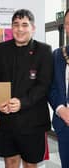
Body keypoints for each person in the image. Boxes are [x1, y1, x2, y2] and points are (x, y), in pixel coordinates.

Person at [0, 9, 53, 168]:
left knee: (31, 164)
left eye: (25, 25)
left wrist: (22, 102)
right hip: (6, 120)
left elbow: (44, 85)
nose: (20, 29)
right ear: (11, 27)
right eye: (16, 25)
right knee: (10, 162)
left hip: (33, 120)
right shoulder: (0, 50)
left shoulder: (44, 51)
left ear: (33, 28)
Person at [48, 9, 69, 168]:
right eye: (68, 23)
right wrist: (60, 108)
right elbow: (50, 87)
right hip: (64, 123)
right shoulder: (57, 55)